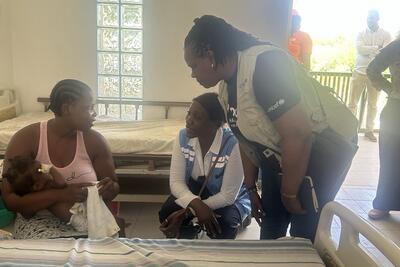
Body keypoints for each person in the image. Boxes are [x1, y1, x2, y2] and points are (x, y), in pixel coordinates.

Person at [183, 15, 358, 241]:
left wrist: (289, 192)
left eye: (194, 65)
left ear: (210, 55)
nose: (192, 73)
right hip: (284, 153)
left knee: (303, 233)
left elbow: (298, 135)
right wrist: (251, 188)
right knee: (271, 221)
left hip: (323, 148)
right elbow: (245, 138)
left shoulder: (265, 66)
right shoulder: (226, 88)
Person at [1, 79, 120, 239]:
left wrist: (109, 188)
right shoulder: (26, 139)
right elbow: (10, 200)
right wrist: (61, 195)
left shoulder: (95, 141)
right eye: (88, 108)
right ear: (67, 109)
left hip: (87, 220)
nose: (94, 113)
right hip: (37, 223)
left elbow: (114, 187)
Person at [158, 92, 251, 239]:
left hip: (230, 194)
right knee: (167, 213)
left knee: (224, 223)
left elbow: (227, 195)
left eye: (197, 117)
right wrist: (197, 205)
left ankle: (217, 253)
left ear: (217, 123)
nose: (189, 120)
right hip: (197, 188)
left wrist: (189, 211)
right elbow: (176, 182)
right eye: (189, 114)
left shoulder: (233, 144)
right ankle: (187, 241)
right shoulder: (183, 137)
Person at [366, 38, 400, 219]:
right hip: (396, 109)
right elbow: (372, 70)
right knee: (390, 159)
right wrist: (390, 88)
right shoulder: (396, 46)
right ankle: (383, 203)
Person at [349, 9, 391, 142]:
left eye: (372, 18)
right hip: (359, 72)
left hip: (376, 75)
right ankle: (350, 130)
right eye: (368, 18)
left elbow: (384, 53)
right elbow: (359, 49)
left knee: (373, 105)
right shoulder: (360, 33)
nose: (369, 20)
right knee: (352, 104)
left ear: (377, 19)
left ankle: (369, 131)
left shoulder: (386, 34)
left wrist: (368, 49)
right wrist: (375, 48)